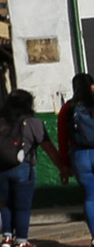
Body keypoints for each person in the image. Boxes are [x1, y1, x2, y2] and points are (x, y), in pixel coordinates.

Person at [0, 89, 52, 247]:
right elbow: (48, 146)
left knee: (7, 204)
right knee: (22, 206)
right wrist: (63, 167)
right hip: (22, 168)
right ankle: (21, 241)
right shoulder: (32, 122)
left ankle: (7, 238)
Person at [63, 74, 94, 247]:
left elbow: (63, 138)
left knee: (90, 198)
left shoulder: (68, 108)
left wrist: (64, 165)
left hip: (80, 156)